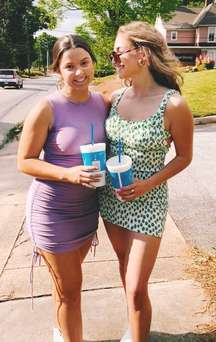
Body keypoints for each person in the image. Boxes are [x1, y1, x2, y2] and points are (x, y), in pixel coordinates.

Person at [99, 21, 193, 342]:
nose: (114, 60)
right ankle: (136, 328)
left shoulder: (174, 105)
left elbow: (183, 158)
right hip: (112, 199)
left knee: (137, 286)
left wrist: (148, 183)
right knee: (127, 275)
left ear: (142, 54)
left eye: (118, 53)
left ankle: (137, 330)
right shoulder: (114, 99)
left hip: (148, 201)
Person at [17, 34, 108, 342]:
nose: (79, 72)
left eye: (85, 63)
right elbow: (25, 161)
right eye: (70, 66)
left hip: (86, 211)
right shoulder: (47, 107)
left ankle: (61, 332)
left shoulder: (102, 102)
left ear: (94, 63)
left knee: (65, 289)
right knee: (71, 292)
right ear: (57, 69)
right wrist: (68, 174)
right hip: (52, 212)